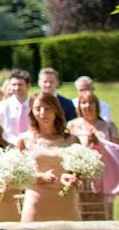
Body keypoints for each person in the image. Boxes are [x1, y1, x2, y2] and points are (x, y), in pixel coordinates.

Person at [16, 93, 80, 222]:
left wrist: (73, 177)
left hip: (65, 199)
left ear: (56, 109)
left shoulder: (72, 140)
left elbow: (79, 170)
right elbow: (18, 174)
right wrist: (39, 176)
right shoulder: (24, 140)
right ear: (31, 112)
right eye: (37, 108)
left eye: (47, 108)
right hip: (37, 199)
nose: (42, 113)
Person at [66, 91, 119, 220]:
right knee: (80, 213)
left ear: (97, 105)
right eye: (83, 103)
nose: (87, 106)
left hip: (103, 177)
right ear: (79, 106)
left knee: (103, 215)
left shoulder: (108, 126)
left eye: (90, 102)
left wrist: (100, 144)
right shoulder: (72, 126)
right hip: (80, 179)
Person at [0, 69, 32, 144]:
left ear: (28, 86)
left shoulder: (35, 106)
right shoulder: (1, 106)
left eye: (20, 85)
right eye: (14, 85)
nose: (17, 88)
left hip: (32, 144)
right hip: (8, 145)